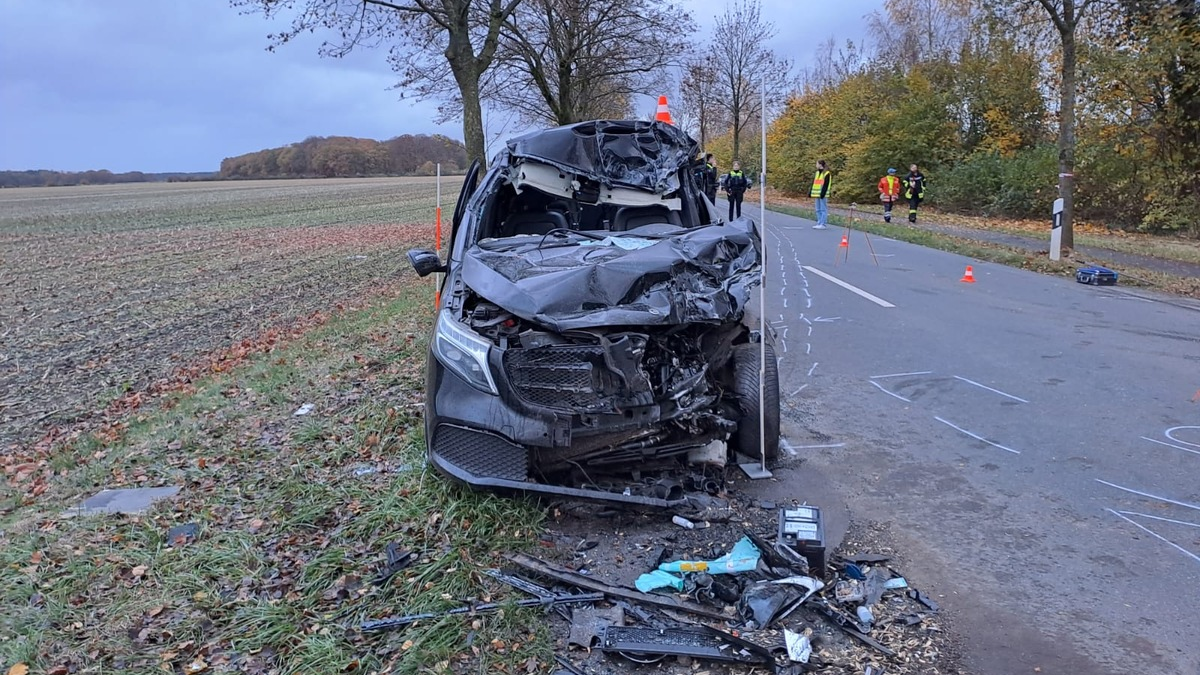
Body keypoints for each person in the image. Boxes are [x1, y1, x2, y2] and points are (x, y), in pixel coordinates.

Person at [810, 160, 832, 229]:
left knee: (823, 209)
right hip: (817, 194)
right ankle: (819, 222)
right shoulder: (817, 173)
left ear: (820, 165)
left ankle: (823, 224)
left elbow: (826, 184)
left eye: (817, 164)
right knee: (818, 209)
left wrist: (823, 193)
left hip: (823, 194)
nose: (816, 165)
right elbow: (814, 183)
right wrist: (810, 192)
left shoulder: (826, 173)